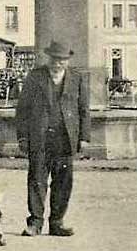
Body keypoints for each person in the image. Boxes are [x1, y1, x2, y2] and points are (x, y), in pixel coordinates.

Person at [16, 40, 90, 237]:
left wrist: (84, 137)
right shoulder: (35, 77)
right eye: (55, 59)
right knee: (37, 180)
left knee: (63, 182)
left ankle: (57, 222)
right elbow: (22, 109)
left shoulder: (77, 79)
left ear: (68, 60)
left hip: (65, 138)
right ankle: (35, 223)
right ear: (49, 58)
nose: (58, 63)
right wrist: (22, 137)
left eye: (62, 60)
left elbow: (84, 110)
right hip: (40, 138)